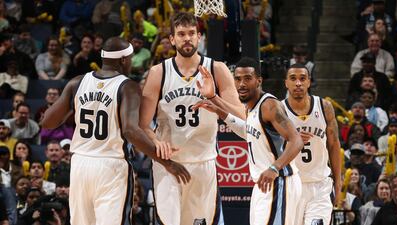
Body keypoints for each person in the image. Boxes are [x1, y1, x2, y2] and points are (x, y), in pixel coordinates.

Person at [40, 36, 191, 225]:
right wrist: (166, 162)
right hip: (111, 166)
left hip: (80, 164)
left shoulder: (77, 82)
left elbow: (47, 122)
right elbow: (130, 130)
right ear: (123, 60)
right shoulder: (128, 87)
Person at [139, 12, 244, 225]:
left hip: (203, 163)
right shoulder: (159, 72)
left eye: (191, 33)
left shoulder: (217, 69)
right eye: (181, 34)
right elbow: (142, 125)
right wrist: (156, 142)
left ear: (198, 37)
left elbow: (241, 116)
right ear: (172, 39)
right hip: (168, 165)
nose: (187, 38)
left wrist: (214, 97)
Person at [192, 57, 304, 225]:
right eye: (237, 79)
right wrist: (215, 101)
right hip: (263, 184)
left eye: (247, 78)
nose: (242, 84)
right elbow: (248, 132)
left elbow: (296, 141)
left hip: (279, 182)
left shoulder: (269, 105)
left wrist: (274, 167)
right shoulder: (252, 107)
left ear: (258, 81)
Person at [279, 63, 342, 224]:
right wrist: (292, 140)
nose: (298, 83)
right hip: (291, 185)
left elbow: (334, 145)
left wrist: (339, 182)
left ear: (309, 82)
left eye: (302, 78)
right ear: (286, 82)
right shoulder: (278, 110)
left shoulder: (324, 107)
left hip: (320, 185)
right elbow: (271, 149)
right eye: (293, 79)